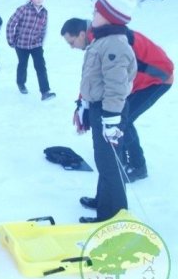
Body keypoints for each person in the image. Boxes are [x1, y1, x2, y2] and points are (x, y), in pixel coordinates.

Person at [61, 16, 173, 182]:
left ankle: (138, 166)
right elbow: (92, 78)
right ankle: (124, 158)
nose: (72, 47)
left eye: (71, 42)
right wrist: (81, 104)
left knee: (122, 121)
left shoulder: (106, 40)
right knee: (120, 116)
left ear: (82, 34)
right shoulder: (97, 41)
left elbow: (116, 77)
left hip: (157, 80)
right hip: (132, 82)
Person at [76, 0, 138, 223]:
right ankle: (104, 201)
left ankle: (113, 215)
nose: (93, 14)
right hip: (98, 108)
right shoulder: (103, 40)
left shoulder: (114, 45)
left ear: (111, 17)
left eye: (97, 12)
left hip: (109, 111)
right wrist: (83, 104)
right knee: (103, 159)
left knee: (110, 163)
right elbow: (94, 78)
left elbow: (116, 87)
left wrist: (111, 119)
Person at [6, 0, 56, 100]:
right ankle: (21, 83)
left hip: (36, 45)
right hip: (21, 44)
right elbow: (10, 24)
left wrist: (41, 42)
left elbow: (44, 29)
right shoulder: (23, 9)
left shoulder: (44, 12)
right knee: (23, 64)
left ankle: (45, 91)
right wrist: (11, 40)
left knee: (41, 67)